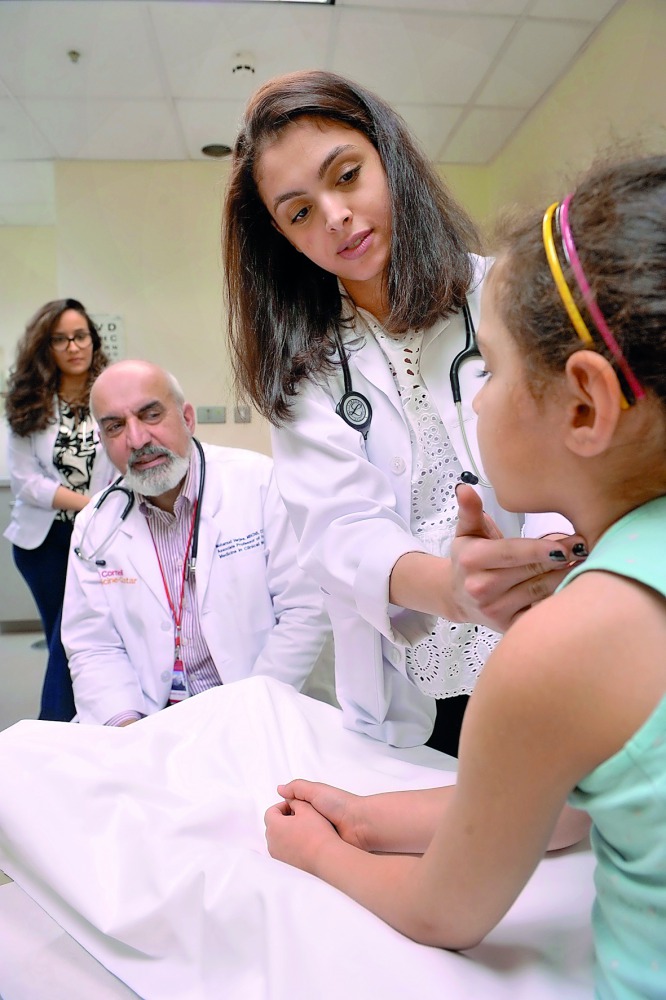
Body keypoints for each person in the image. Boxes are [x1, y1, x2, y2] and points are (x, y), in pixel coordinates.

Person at [265, 155, 666, 999]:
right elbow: (567, 803)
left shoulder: (561, 653)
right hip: (418, 701)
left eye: (492, 367)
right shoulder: (306, 364)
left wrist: (319, 848)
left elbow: (444, 913)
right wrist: (370, 817)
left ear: (585, 404)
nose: (476, 402)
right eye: (297, 212)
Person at [223, 70, 584, 755]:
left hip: (556, 633)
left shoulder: (506, 292)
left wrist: (540, 560)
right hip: (416, 682)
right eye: (300, 212)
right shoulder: (308, 373)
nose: (334, 216)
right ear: (284, 239)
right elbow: (340, 531)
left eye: (348, 175)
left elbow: (575, 445)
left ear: (390, 158)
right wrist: (454, 590)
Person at [62, 359, 333, 726]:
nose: (137, 439)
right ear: (103, 440)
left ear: (187, 418)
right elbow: (93, 646)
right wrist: (127, 729)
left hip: (260, 711)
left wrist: (249, 718)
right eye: (115, 426)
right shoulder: (94, 524)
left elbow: (305, 611)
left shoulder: (261, 484)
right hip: (150, 721)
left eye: (151, 415)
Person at [3, 298, 115, 722]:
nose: (73, 346)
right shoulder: (28, 403)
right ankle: (57, 725)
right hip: (45, 542)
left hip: (100, 537)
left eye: (80, 335)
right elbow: (27, 482)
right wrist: (91, 505)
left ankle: (72, 723)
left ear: (93, 339)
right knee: (64, 635)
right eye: (61, 339)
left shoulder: (111, 393)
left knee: (78, 636)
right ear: (45, 347)